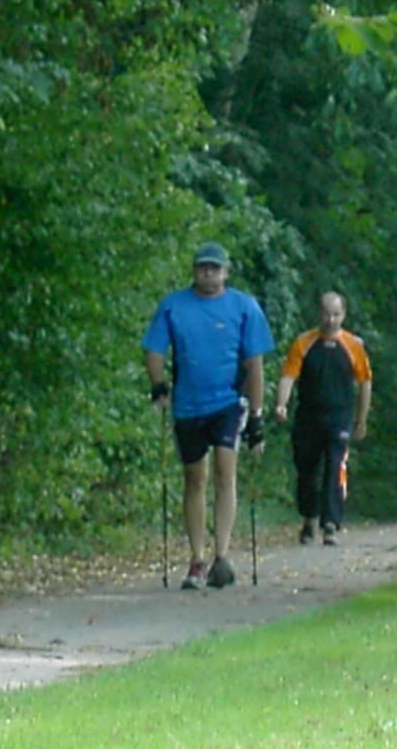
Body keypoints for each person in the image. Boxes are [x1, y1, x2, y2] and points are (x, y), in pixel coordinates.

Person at [142, 242, 275, 590]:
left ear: (226, 273)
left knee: (225, 470)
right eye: (203, 267)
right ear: (194, 271)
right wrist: (158, 384)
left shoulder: (244, 307)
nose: (208, 273)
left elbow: (255, 364)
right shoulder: (174, 306)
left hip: (228, 401)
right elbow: (154, 350)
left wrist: (256, 416)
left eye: (215, 268)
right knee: (194, 478)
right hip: (188, 405)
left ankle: (222, 555)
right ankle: (197, 558)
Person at [274, 292, 373, 546]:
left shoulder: (353, 346)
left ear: (344, 315)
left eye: (336, 314)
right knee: (307, 469)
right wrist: (281, 403)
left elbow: (364, 383)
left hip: (339, 415)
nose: (331, 320)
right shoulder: (304, 343)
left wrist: (361, 419)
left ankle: (331, 522)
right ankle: (309, 517)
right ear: (319, 313)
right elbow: (289, 376)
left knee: (335, 465)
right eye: (327, 314)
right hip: (308, 415)